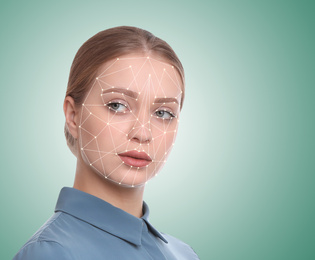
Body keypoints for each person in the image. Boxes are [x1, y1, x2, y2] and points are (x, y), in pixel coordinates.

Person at [13, 26, 199, 260]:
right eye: (117, 106)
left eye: (163, 113)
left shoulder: (183, 253)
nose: (142, 133)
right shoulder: (50, 253)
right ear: (73, 115)